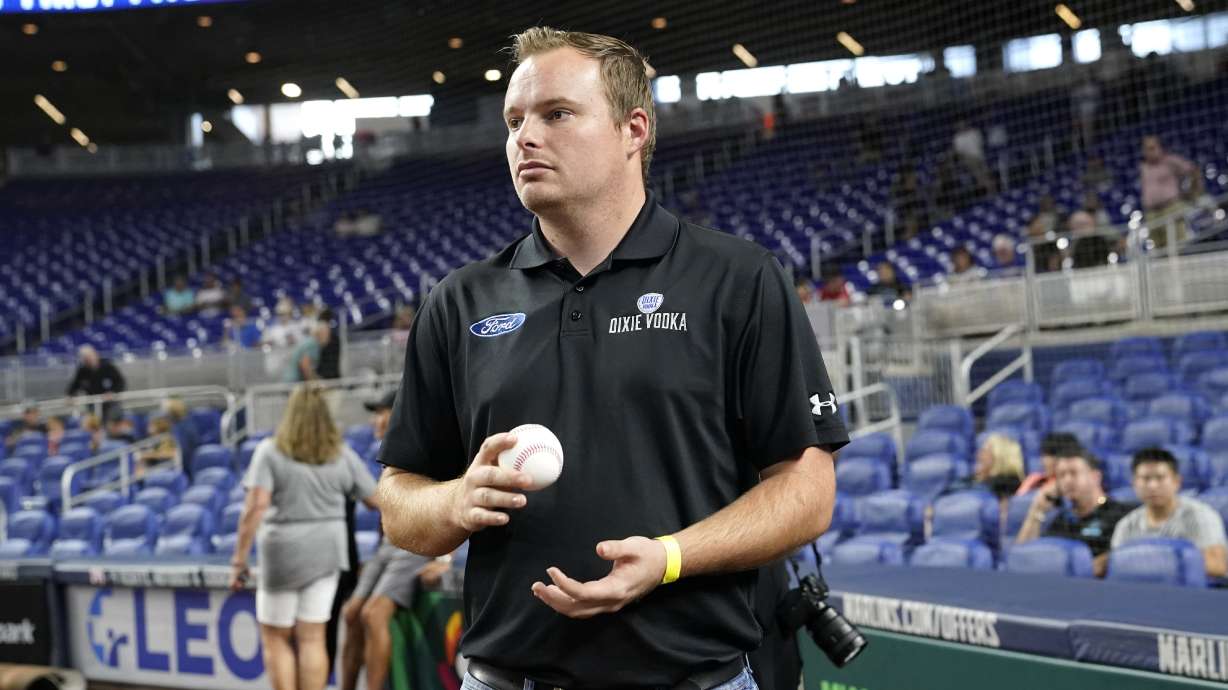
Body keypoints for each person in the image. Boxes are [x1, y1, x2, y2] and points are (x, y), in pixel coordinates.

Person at [374, 27, 847, 690]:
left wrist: (670, 558)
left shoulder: (738, 280)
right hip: (504, 677)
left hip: (693, 678)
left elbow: (806, 490)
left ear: (634, 129)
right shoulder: (459, 301)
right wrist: (453, 501)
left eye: (557, 114)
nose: (524, 138)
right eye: (514, 121)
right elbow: (400, 503)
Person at [229, 385, 379, 690]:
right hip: (328, 552)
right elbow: (376, 500)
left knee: (276, 636)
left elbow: (255, 506)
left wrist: (239, 559)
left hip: (283, 552)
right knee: (313, 636)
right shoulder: (343, 454)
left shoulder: (270, 452)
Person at [340, 390, 452, 690]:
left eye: (382, 412)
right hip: (388, 544)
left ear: (398, 412)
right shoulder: (388, 449)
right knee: (351, 613)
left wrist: (445, 558)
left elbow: (449, 494)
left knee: (373, 614)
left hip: (417, 541)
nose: (376, 419)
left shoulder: (427, 441)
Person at [1110, 448, 1227, 578]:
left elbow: (1217, 566)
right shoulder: (1126, 525)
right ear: (1134, 483)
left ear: (1176, 481)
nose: (1152, 486)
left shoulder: (1201, 516)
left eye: (1160, 478)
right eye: (1145, 479)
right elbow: (1117, 567)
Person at [1015, 449, 1132, 577]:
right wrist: (1037, 510)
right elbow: (1021, 558)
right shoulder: (1061, 519)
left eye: (1074, 473)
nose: (1067, 480)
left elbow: (1123, 558)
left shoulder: (1121, 514)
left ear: (1096, 477)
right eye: (1061, 475)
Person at [1140, 135, 1203, 249]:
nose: (1149, 152)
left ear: (1160, 147)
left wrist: (1193, 193)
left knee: (1179, 246)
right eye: (1146, 149)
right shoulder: (1143, 167)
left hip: (1171, 209)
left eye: (1152, 148)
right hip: (1152, 214)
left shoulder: (1170, 161)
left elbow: (1194, 171)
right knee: (1159, 251)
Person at [67, 345, 126, 423]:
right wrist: (70, 395)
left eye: (89, 357)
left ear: (95, 355)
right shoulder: (82, 370)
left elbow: (120, 381)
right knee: (94, 423)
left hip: (110, 403)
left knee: (112, 421)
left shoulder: (107, 366)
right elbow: (74, 385)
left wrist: (112, 392)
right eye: (85, 359)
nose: (88, 361)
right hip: (92, 404)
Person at [969, 433, 1024, 499]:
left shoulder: (1004, 485)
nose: (978, 455)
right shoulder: (985, 481)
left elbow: (1003, 508)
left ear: (999, 456)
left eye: (985, 451)